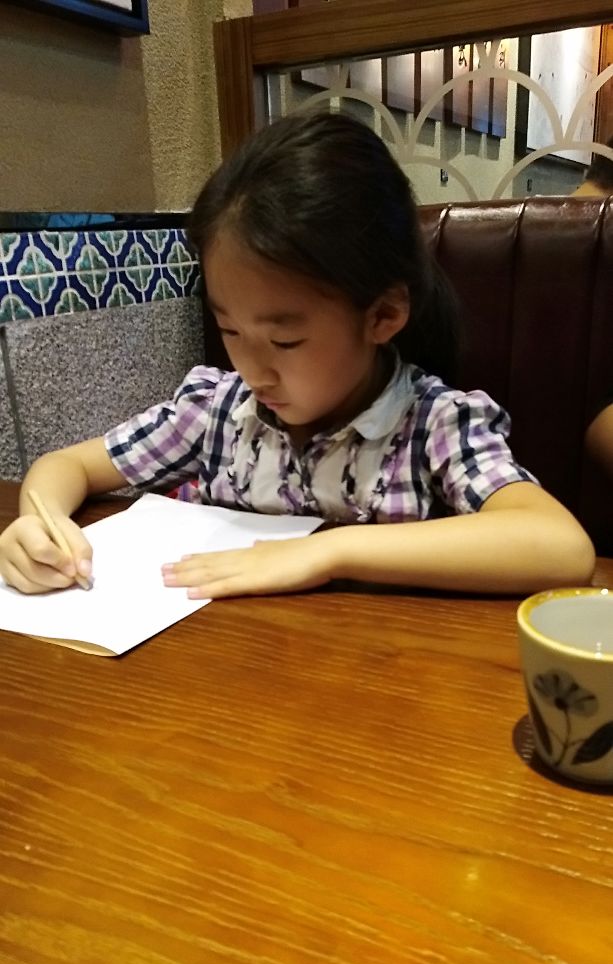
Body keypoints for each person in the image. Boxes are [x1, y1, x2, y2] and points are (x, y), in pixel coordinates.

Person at [0, 111, 594, 599]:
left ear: (382, 315)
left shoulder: (434, 426)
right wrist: (38, 525)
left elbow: (559, 546)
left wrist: (326, 550)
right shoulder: (216, 411)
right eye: (230, 330)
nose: (253, 371)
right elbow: (68, 466)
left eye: (284, 342)